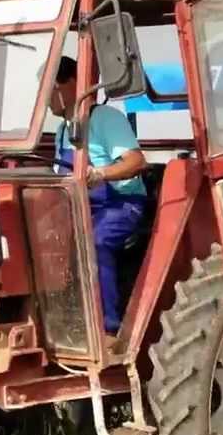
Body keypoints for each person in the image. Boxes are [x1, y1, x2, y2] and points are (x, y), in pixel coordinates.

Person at [49, 56, 149, 336]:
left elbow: (136, 161)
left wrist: (100, 173)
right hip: (82, 206)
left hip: (122, 204)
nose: (46, 98)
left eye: (50, 87)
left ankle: (106, 329)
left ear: (71, 84)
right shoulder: (62, 131)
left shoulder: (104, 118)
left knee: (94, 241)